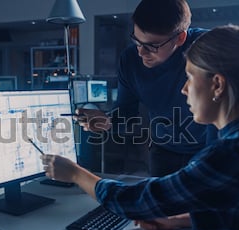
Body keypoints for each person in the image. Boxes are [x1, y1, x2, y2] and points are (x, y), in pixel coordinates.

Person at [42, 24, 239, 230]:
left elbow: (135, 202)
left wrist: (75, 173)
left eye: (189, 77)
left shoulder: (233, 153)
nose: (183, 89)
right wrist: (177, 221)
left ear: (218, 84)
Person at [77, 0, 214, 177]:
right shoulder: (130, 60)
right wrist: (108, 121)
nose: (141, 52)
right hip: (163, 150)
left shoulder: (209, 47)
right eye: (137, 40)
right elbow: (125, 113)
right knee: (161, 202)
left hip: (209, 148)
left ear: (180, 38)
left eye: (152, 46)